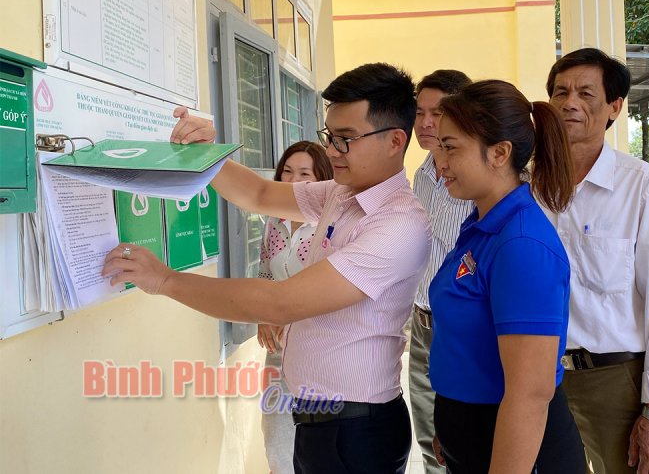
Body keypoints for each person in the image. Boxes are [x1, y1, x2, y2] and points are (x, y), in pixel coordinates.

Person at [103, 63, 432, 474]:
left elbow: (280, 303)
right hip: (318, 420)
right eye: (330, 136)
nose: (331, 151)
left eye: (346, 139)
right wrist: (205, 152)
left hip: (356, 430)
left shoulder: (398, 223)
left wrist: (166, 280)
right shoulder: (341, 193)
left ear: (394, 141)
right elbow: (258, 193)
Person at [543, 47, 649, 474]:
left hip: (613, 382)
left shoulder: (643, 187)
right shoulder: (528, 185)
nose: (570, 102)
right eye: (560, 92)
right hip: (539, 378)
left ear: (614, 107)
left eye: (586, 94)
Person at [428, 79, 586, 473]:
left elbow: (530, 394)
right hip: (476, 433)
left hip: (518, 449)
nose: (439, 161)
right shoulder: (482, 224)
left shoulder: (521, 244)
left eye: (450, 147)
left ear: (499, 153)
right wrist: (451, 424)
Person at [409, 69, 473, 474]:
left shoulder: (474, 177)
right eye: (419, 113)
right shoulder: (421, 175)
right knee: (427, 433)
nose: (426, 123)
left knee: (459, 439)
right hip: (421, 325)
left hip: (460, 330)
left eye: (437, 113)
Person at [256, 141, 333, 474]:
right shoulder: (273, 222)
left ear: (322, 180)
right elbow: (263, 273)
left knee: (319, 448)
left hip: (322, 353)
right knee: (277, 446)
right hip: (279, 351)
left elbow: (333, 291)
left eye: (304, 173)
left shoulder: (332, 227)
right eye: (287, 171)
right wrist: (263, 317)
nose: (292, 181)